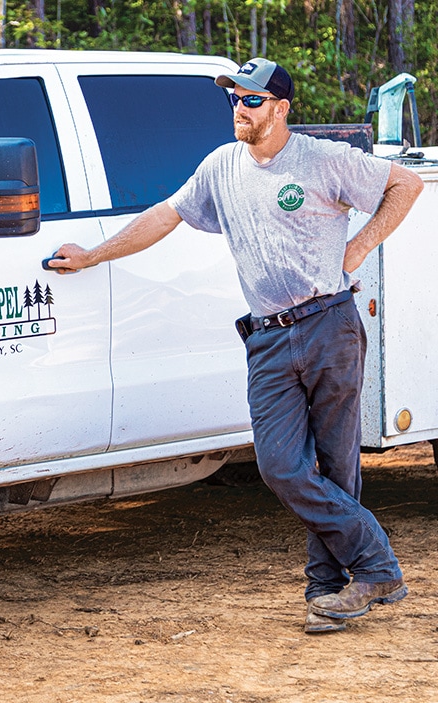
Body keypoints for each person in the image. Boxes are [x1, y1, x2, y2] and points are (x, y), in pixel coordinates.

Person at [49, 58, 423, 635]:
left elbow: (407, 183)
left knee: (337, 465)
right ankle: (377, 566)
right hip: (269, 338)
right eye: (234, 100)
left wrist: (359, 248)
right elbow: (164, 215)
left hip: (329, 325)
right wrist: (94, 254)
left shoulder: (324, 160)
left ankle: (327, 593)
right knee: (281, 467)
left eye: (251, 100)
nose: (239, 110)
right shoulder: (220, 167)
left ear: (280, 108)